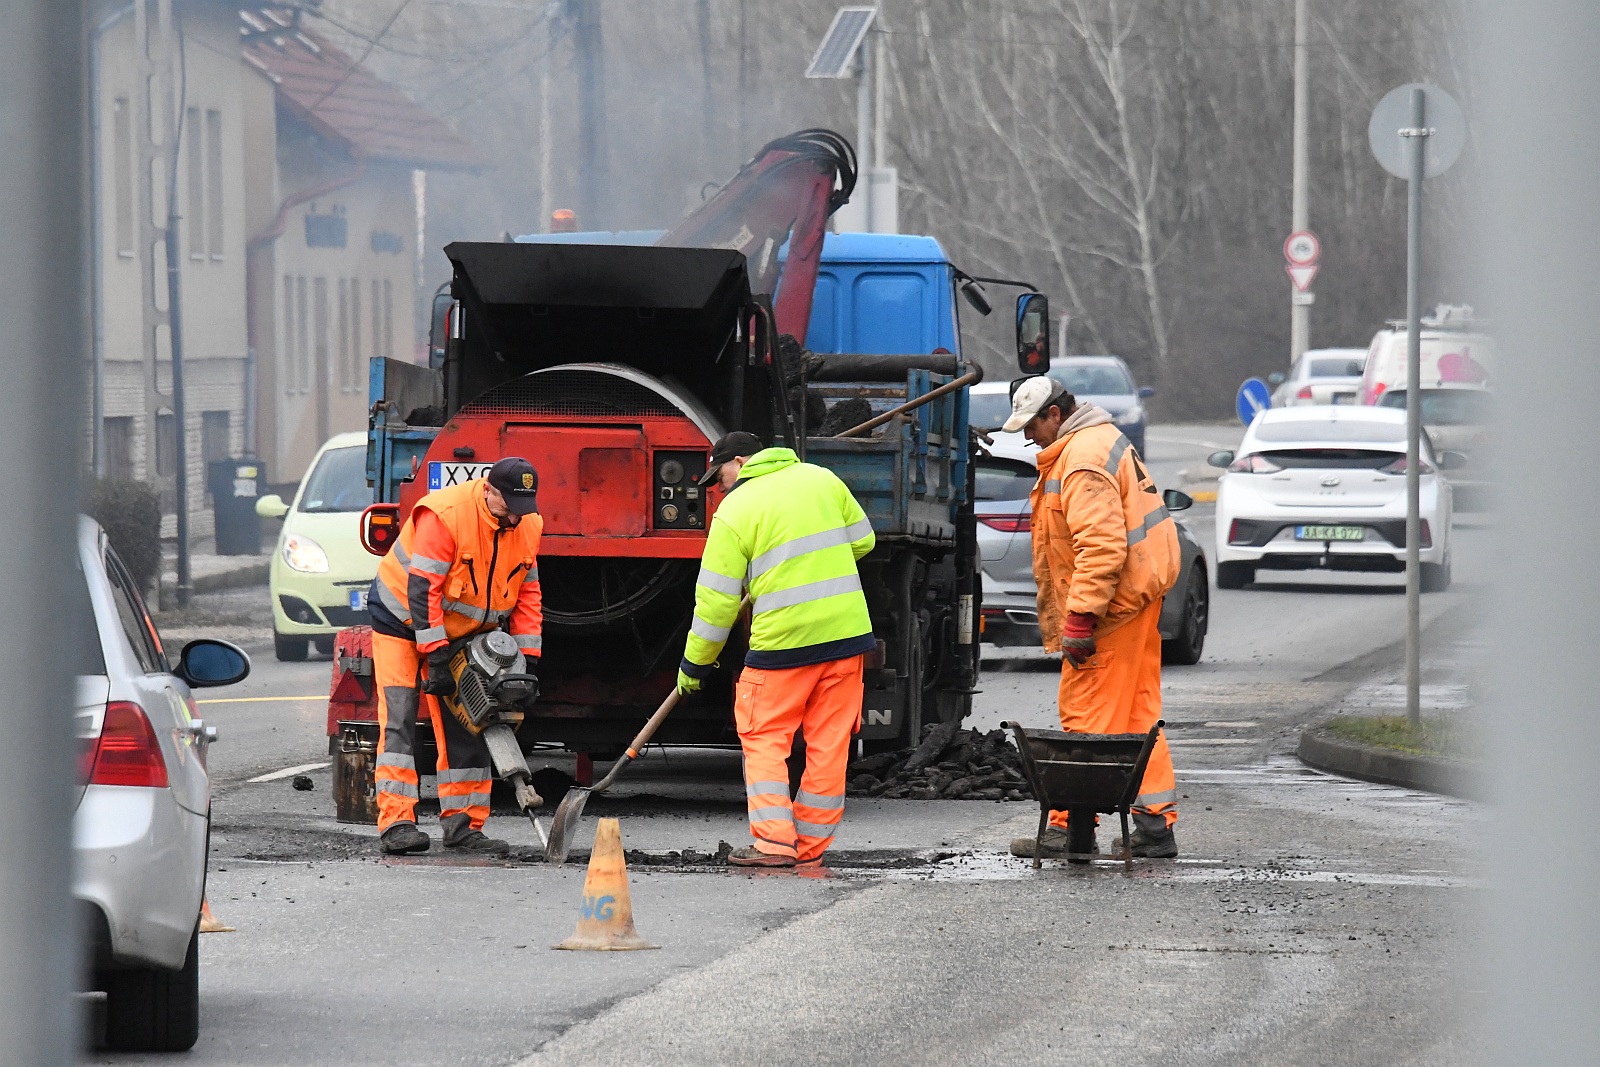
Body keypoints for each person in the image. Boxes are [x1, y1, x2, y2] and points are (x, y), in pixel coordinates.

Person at [1001, 376, 1182, 860]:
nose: (1027, 437)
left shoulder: (1080, 460)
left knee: (1084, 717)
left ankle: (1069, 829)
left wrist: (1080, 618)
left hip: (1110, 609)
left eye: (1032, 425)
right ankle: (1154, 826)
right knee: (1138, 718)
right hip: (1136, 602)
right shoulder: (1101, 441)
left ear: (1055, 415)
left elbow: (1100, 547)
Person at [677, 431, 876, 868]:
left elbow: (715, 603)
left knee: (764, 737)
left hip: (783, 644)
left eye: (722, 474)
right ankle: (807, 848)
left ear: (743, 461)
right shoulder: (822, 479)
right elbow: (864, 541)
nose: (721, 486)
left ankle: (772, 844)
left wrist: (696, 663)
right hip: (847, 639)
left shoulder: (736, 510)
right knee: (829, 745)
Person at [365, 457, 545, 856]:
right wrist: (437, 657)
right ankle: (397, 823)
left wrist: (528, 659)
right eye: (509, 506)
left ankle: (464, 827)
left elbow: (528, 591)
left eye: (523, 508)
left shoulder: (528, 523)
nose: (515, 518)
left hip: (462, 633)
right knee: (399, 719)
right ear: (488, 490)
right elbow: (421, 589)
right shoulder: (445, 516)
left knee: (469, 723)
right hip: (401, 621)